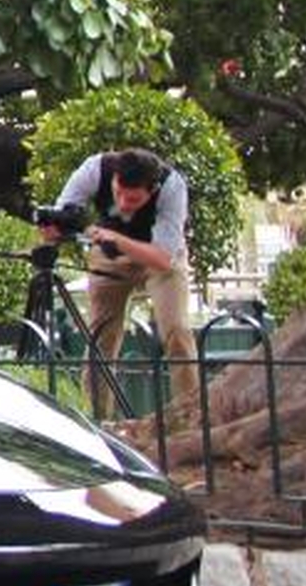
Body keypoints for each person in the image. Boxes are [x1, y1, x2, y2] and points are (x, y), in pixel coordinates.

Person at [44, 146, 197, 415]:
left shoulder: (172, 187)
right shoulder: (95, 169)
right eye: (118, 194)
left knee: (177, 332)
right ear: (114, 177)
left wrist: (117, 240)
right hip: (109, 256)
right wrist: (56, 227)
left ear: (152, 189)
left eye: (134, 200)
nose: (124, 204)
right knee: (100, 338)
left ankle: (190, 415)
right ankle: (97, 419)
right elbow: (62, 212)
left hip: (158, 254)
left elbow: (163, 258)